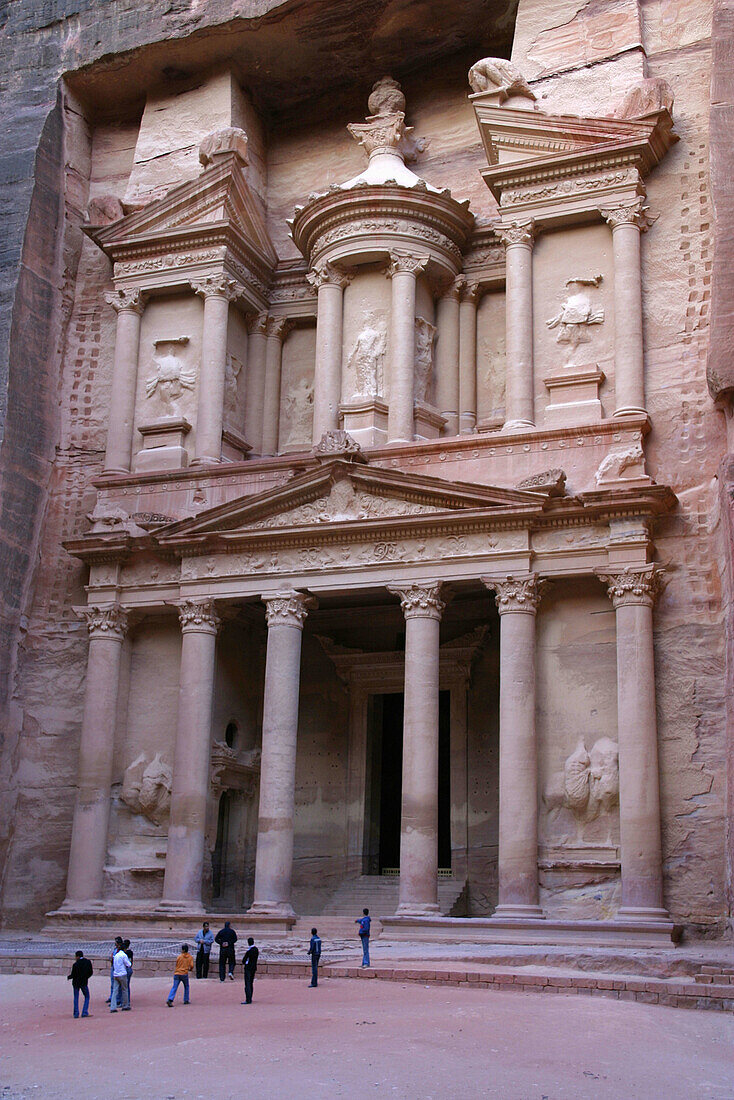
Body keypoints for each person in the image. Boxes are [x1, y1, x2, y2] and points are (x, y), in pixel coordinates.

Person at [67, 950, 93, 1018]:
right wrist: (86, 977)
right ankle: (84, 1012)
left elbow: (73, 974)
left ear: (77, 956)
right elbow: (90, 972)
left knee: (76, 997)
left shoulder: (75, 964)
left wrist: (69, 977)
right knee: (87, 996)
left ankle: (76, 1013)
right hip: (84, 982)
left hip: (76, 983)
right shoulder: (87, 962)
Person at [110, 939, 131, 1012]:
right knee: (125, 990)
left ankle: (113, 1007)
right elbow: (129, 964)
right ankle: (125, 1005)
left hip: (116, 974)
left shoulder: (116, 955)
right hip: (122, 974)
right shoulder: (123, 955)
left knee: (115, 991)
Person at [106, 935, 124, 1004]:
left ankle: (117, 999)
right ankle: (112, 997)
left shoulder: (121, 951)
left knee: (118, 985)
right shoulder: (115, 950)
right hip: (113, 966)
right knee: (113, 983)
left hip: (118, 968)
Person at [241, 937, 258, 1005]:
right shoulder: (256, 950)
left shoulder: (249, 951)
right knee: (251, 983)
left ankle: (248, 999)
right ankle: (250, 997)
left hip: (248, 968)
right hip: (253, 968)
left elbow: (244, 960)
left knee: (247, 984)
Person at [123, 938, 134, 1005]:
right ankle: (127, 1001)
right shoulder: (130, 952)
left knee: (124, 986)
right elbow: (132, 961)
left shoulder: (124, 953)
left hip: (125, 969)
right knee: (126, 986)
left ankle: (125, 1001)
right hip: (129, 968)